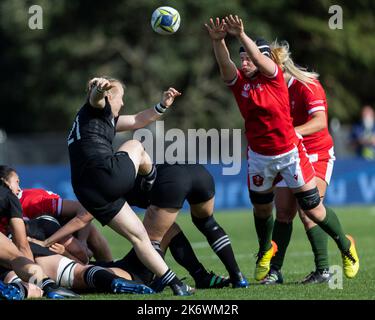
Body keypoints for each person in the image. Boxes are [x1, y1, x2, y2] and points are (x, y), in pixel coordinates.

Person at [204, 15, 359, 281]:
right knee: (266, 210)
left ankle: (346, 247)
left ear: (265, 59)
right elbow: (225, 64)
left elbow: (319, 121)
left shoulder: (275, 79)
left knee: (311, 208)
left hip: (292, 154)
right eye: (242, 59)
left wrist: (242, 35)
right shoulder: (241, 83)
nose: (244, 62)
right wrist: (219, 42)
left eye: (249, 58)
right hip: (259, 157)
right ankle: (268, 255)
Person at [67, 76, 192, 295]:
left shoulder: (91, 119)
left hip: (87, 191)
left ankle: (175, 284)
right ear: (108, 97)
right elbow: (96, 98)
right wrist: (98, 89)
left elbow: (137, 120)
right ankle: (151, 183)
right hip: (105, 175)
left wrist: (162, 105)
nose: (123, 103)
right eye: (121, 98)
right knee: (135, 144)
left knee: (140, 237)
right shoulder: (96, 107)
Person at [34, 164, 248, 289]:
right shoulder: (118, 171)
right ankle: (236, 276)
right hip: (196, 172)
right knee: (200, 224)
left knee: (150, 241)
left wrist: (48, 242)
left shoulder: (103, 187)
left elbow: (83, 218)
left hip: (171, 182)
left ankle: (172, 280)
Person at [260, 41, 340, 284]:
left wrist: (293, 132)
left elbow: (319, 122)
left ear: (278, 66)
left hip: (316, 154)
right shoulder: (270, 88)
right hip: (290, 155)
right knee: (283, 211)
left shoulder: (307, 85)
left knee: (309, 211)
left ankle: (325, 270)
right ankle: (275, 271)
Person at [0, 165, 79, 299]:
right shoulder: (9, 197)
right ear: (5, 182)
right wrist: (33, 283)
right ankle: (49, 287)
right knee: (17, 259)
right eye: (17, 182)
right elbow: (22, 246)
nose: (19, 188)